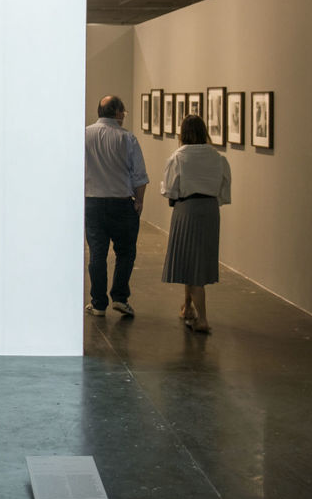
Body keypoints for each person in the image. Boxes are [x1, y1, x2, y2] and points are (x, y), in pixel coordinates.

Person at [160, 115, 231, 334]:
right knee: (196, 260)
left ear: (183, 133)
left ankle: (203, 319)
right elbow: (224, 192)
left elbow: (169, 189)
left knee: (192, 263)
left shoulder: (178, 157)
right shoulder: (218, 158)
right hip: (210, 211)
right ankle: (188, 307)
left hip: (186, 210)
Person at [84, 95, 148, 317]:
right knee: (126, 252)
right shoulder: (127, 138)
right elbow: (139, 175)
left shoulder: (84, 135)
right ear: (118, 113)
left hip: (92, 202)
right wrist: (139, 201)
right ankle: (120, 297)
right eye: (124, 113)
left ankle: (98, 303)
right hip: (122, 204)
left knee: (97, 254)